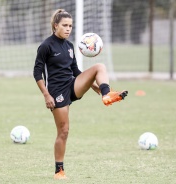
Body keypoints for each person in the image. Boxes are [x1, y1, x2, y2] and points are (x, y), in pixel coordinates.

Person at [33, 9, 128, 180]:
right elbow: (37, 73)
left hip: (72, 85)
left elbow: (75, 71)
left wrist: (95, 88)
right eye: (65, 25)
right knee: (64, 131)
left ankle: (106, 94)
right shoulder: (46, 46)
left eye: (70, 26)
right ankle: (59, 171)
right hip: (56, 92)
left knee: (99, 67)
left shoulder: (69, 46)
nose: (68, 29)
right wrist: (46, 95)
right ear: (56, 26)